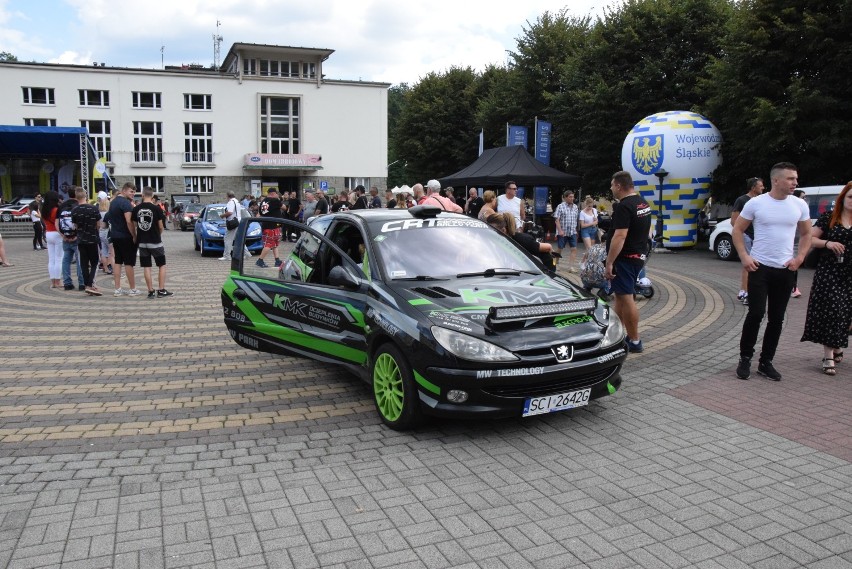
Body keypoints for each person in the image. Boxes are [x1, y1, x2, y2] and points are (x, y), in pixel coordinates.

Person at [733, 162, 812, 381]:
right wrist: (744, 257)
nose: (795, 182)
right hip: (760, 267)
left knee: (777, 318)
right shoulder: (756, 203)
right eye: (790, 179)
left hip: (785, 269)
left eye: (796, 179)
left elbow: (807, 234)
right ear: (775, 180)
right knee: (756, 313)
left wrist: (800, 258)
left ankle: (766, 362)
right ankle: (745, 358)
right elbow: (737, 230)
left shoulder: (799, 205)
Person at [800, 182, 852, 375]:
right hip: (829, 272)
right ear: (843, 199)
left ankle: (837, 345)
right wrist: (828, 243)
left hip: (850, 275)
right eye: (850, 197)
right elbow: (809, 238)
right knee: (833, 310)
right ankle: (828, 355)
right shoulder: (829, 218)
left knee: (844, 314)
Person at [604, 171, 653, 354]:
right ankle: (616, 334)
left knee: (626, 297)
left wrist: (609, 262)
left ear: (618, 185)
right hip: (637, 256)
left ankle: (634, 340)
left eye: (611, 185)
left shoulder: (624, 206)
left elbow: (620, 235)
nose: (611, 189)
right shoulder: (642, 202)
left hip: (625, 259)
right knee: (620, 297)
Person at [132, 187, 172, 298]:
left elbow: (135, 225)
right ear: (152, 195)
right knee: (162, 265)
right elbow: (161, 226)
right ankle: (161, 290)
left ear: (142, 195)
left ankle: (150, 291)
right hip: (155, 241)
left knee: (146, 266)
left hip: (142, 242)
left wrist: (135, 237)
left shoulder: (136, 209)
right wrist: (158, 234)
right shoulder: (157, 209)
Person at [731, 177, 765, 305]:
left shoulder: (761, 201)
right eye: (760, 186)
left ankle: (743, 291)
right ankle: (746, 292)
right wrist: (743, 234)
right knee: (750, 265)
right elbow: (733, 221)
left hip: (757, 237)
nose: (763, 188)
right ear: (753, 187)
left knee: (751, 265)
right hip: (747, 236)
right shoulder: (742, 200)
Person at [486, 212, 555, 271]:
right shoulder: (499, 241)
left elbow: (548, 247)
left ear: (503, 230)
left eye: (492, 230)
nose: (488, 233)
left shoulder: (522, 240)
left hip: (546, 268)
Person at [107, 182, 141, 296]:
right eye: (131, 191)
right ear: (124, 190)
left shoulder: (113, 202)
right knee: (128, 263)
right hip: (125, 236)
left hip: (114, 235)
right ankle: (132, 289)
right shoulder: (126, 203)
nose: (133, 194)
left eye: (134, 192)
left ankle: (117, 289)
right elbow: (128, 221)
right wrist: (134, 235)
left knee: (118, 262)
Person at [70, 187, 102, 296]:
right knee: (94, 263)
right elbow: (98, 224)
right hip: (93, 239)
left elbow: (75, 226)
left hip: (81, 240)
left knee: (83, 264)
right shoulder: (94, 209)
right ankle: (90, 284)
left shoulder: (74, 210)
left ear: (76, 197)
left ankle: (88, 284)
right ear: (86, 196)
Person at [57, 190, 85, 291]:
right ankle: (82, 283)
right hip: (77, 237)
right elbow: (81, 223)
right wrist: (78, 235)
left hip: (66, 237)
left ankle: (67, 283)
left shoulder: (61, 206)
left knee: (66, 260)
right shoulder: (78, 205)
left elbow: (57, 223)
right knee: (79, 260)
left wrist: (62, 235)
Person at [255, 189, 284, 268]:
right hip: (272, 225)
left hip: (266, 225)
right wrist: (279, 201)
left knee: (275, 244)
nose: (277, 195)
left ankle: (277, 260)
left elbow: (260, 213)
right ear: (273, 193)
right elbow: (284, 208)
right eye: (276, 194)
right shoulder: (275, 200)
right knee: (269, 244)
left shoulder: (263, 202)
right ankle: (260, 260)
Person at [553, 190, 580, 270]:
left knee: (574, 249)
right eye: (570, 197)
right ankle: (555, 263)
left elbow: (575, 219)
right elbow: (556, 220)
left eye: (573, 197)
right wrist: (560, 230)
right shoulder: (560, 206)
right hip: (563, 231)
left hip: (572, 231)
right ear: (565, 198)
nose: (572, 198)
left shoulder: (575, 207)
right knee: (560, 248)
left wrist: (576, 230)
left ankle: (571, 267)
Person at [41, 190, 62, 287]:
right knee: (58, 258)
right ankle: (58, 281)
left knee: (51, 259)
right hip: (57, 234)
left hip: (48, 233)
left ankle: (53, 281)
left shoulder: (43, 210)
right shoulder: (56, 210)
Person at [791, 188, 808, 298]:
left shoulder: (803, 209)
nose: (805, 200)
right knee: (791, 266)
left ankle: (793, 287)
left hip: (798, 242)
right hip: (790, 243)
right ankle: (793, 288)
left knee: (794, 265)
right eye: (803, 197)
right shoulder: (792, 209)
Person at [220, 190, 241, 261]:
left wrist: (222, 215)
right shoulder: (237, 201)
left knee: (227, 239)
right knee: (238, 238)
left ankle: (227, 256)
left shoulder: (230, 202)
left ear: (227, 196)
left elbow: (230, 212)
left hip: (232, 222)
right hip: (238, 221)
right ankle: (246, 254)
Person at [96, 191, 113, 275]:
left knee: (104, 252)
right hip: (107, 233)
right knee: (111, 252)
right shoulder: (107, 213)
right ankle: (111, 266)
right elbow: (106, 225)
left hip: (100, 233)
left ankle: (106, 268)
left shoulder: (98, 212)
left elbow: (99, 225)